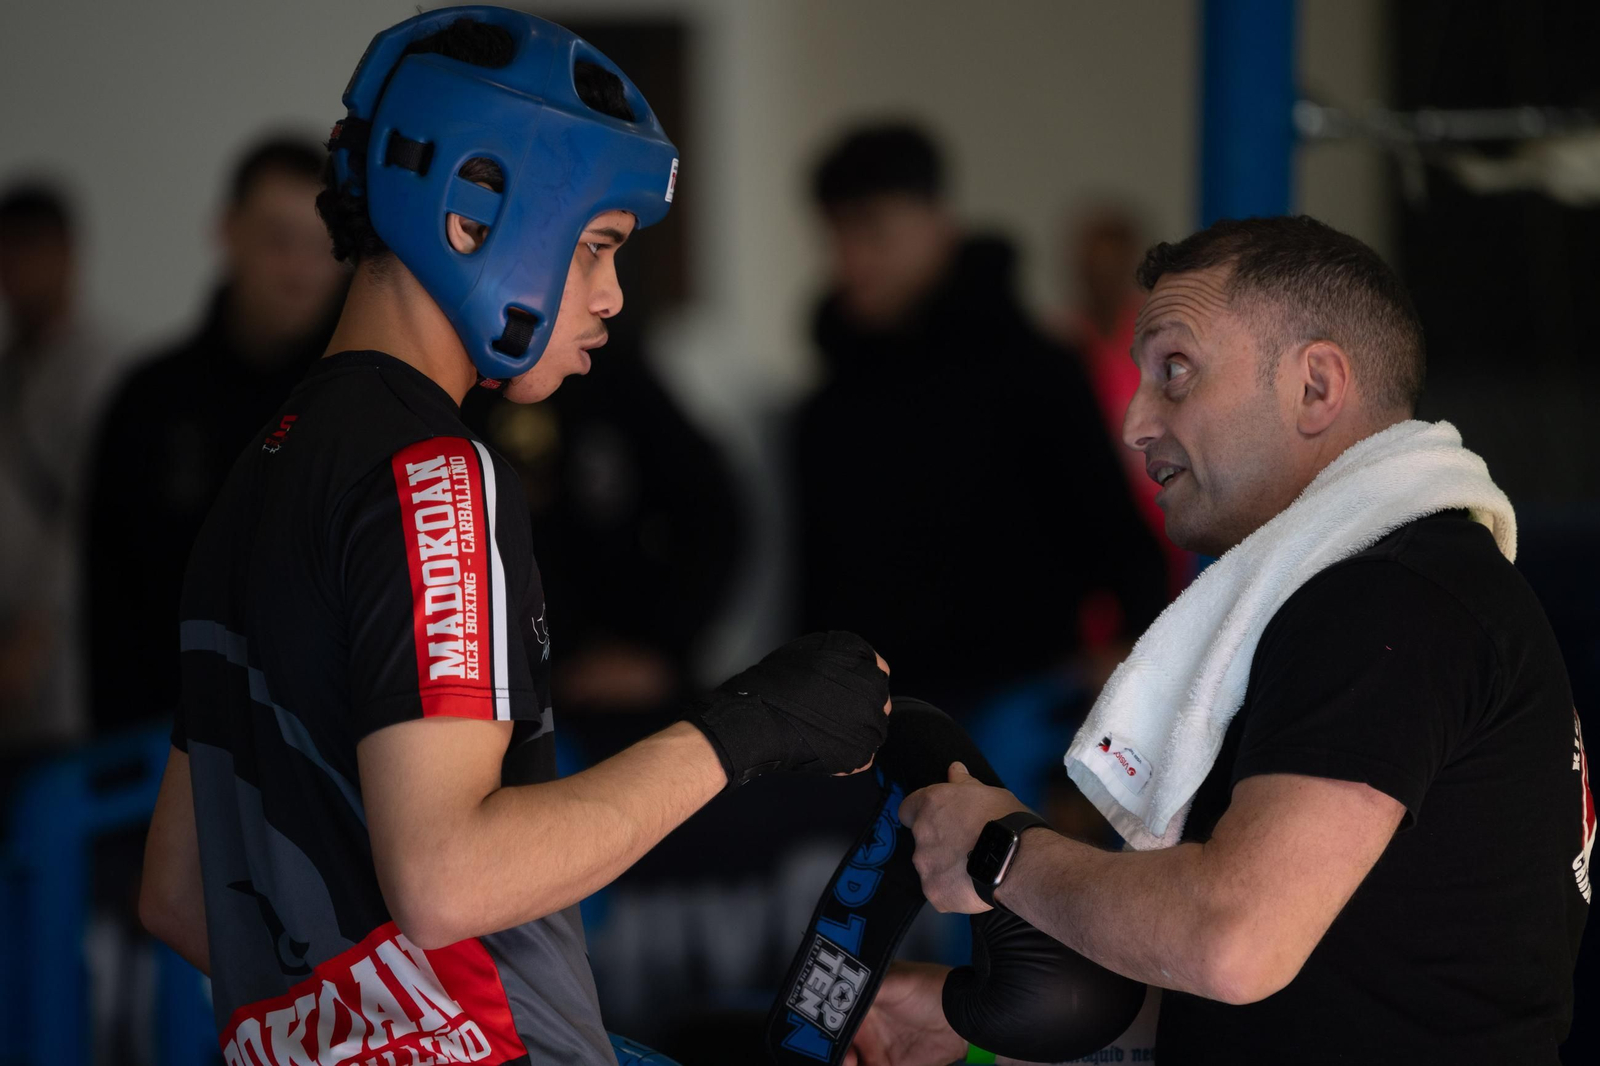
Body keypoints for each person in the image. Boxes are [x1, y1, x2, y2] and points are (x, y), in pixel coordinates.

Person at [135, 10, 891, 1066]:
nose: (611, 297)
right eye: (596, 247)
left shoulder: (262, 466)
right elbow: (448, 878)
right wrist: (747, 729)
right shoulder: (434, 470)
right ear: (467, 218)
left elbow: (179, 890)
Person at [852, 217, 1589, 1064]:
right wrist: (964, 1022)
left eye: (1175, 370)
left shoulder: (1392, 600)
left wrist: (999, 852)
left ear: (1316, 386)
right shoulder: (1396, 591)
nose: (1135, 422)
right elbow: (1324, 995)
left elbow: (1235, 943)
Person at [794, 123, 1167, 716]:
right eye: (838, 235)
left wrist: (1126, 668)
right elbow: (816, 586)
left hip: (1019, 713)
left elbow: (1122, 543)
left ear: (938, 224)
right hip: (866, 721)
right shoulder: (828, 404)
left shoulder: (1035, 372)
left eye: (875, 232)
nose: (853, 261)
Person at [83, 135, 348, 736]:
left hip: (335, 752)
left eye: (323, 247)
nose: (300, 271)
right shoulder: (148, 402)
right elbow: (111, 617)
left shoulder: (369, 406)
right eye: (278, 242)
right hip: (168, 745)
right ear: (228, 231)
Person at [0, 180, 119, 756]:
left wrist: (33, 639)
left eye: (30, 248)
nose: (16, 269)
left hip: (58, 659)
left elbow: (85, 516)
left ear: (66, 254)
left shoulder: (99, 368)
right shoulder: (14, 367)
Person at [1051, 203, 1192, 598]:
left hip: (1158, 523)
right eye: (1091, 268)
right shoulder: (1058, 347)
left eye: (1110, 268)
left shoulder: (1163, 341)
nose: (1100, 279)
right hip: (1079, 525)